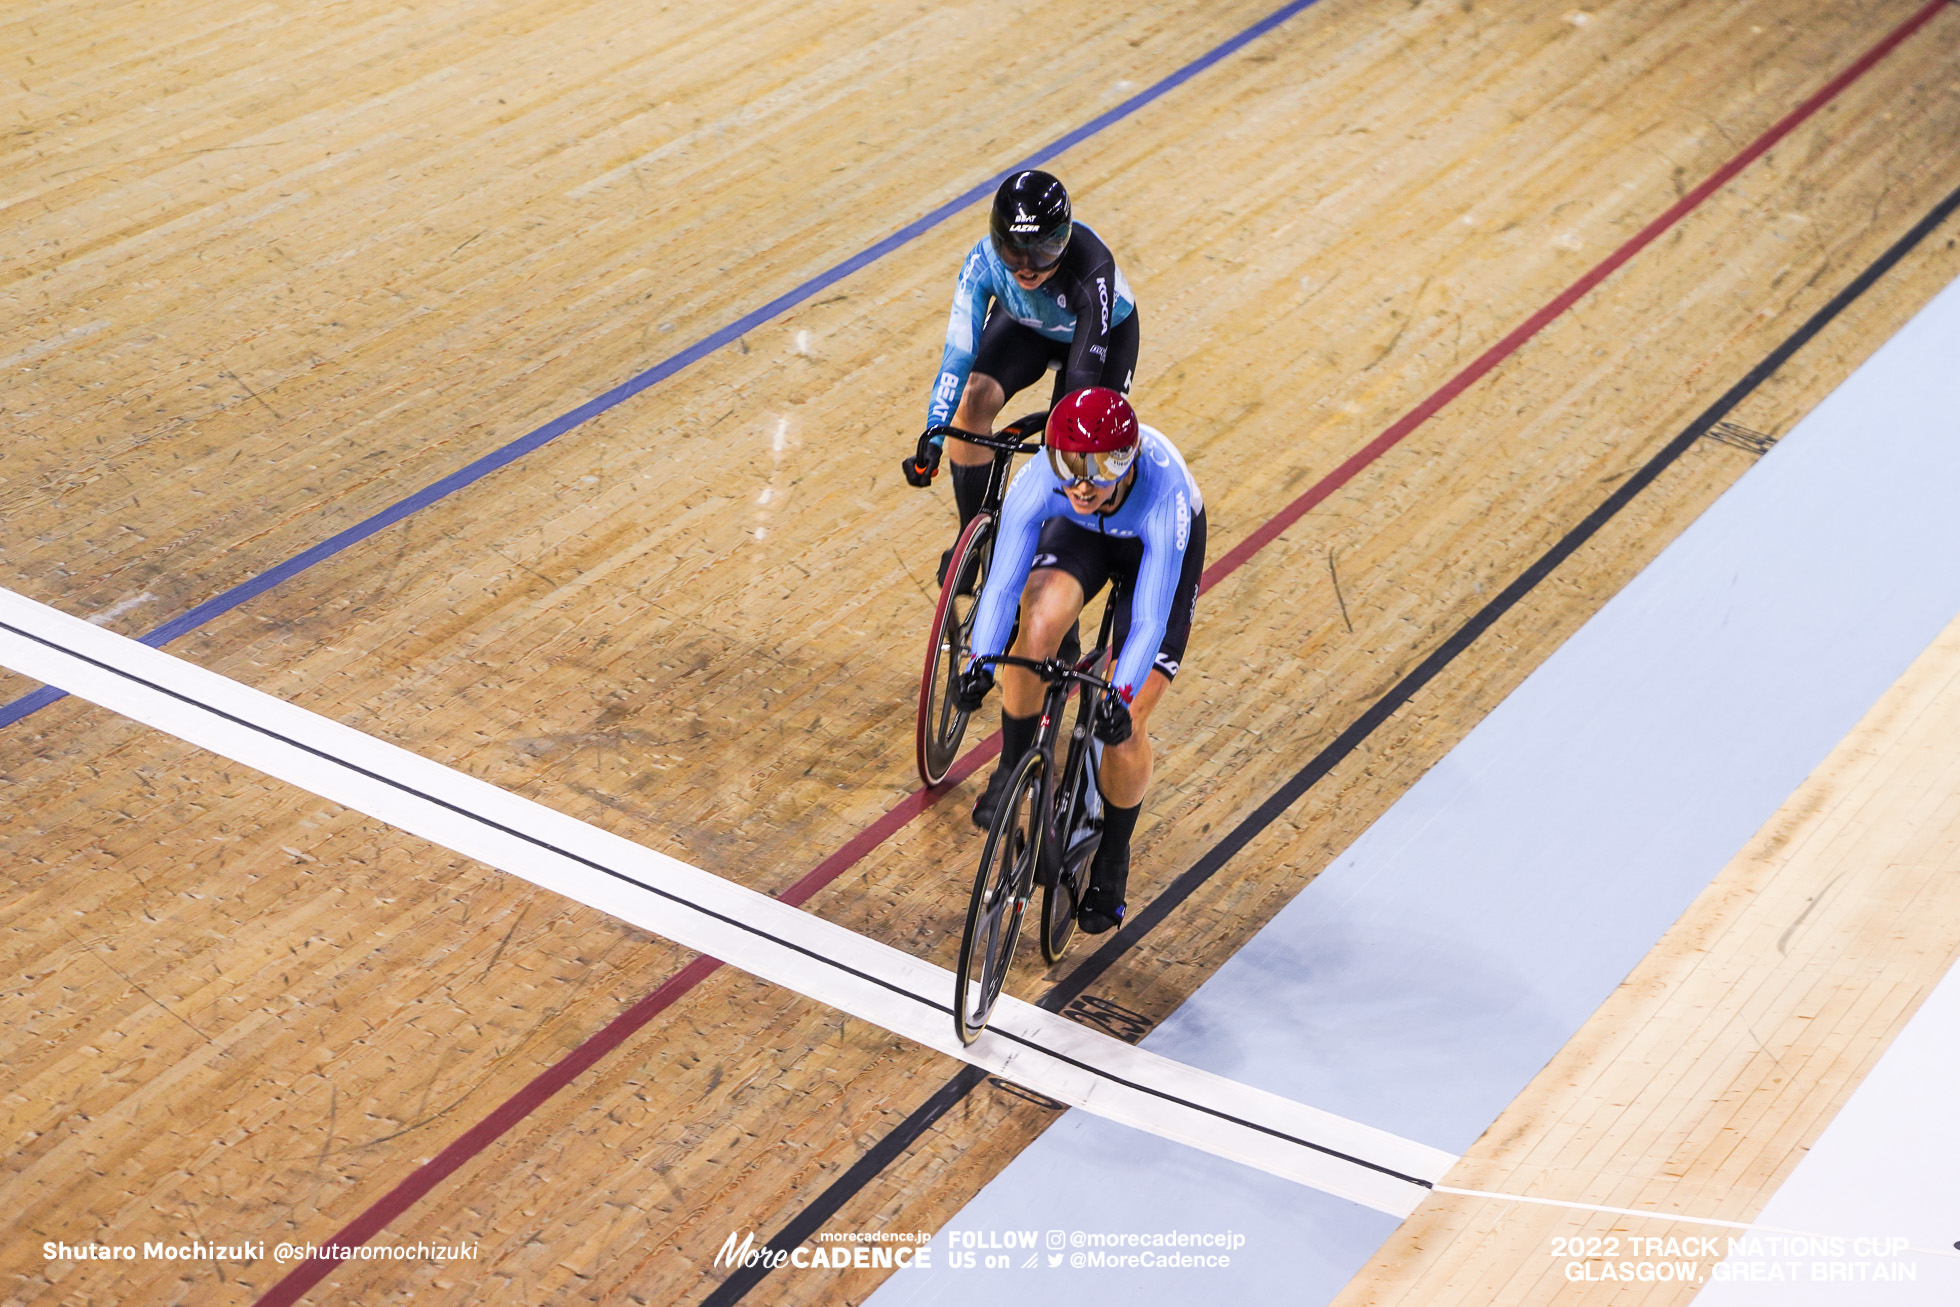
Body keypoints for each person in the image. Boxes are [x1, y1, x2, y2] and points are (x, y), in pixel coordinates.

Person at [952, 387, 1204, 935]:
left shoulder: (1166, 496)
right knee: (1037, 627)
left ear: (1128, 461)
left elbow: (1149, 622)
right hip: (1083, 536)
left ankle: (1113, 858)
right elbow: (1000, 586)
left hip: (1150, 555)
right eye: (1071, 466)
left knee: (1126, 725)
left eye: (1100, 469)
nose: (1084, 483)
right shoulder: (1047, 480)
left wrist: (1121, 695)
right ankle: (1010, 768)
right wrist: (978, 661)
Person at [899, 170, 1140, 582]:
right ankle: (971, 536)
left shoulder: (1092, 266)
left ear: (1064, 241)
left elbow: (1081, 381)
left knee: (1073, 450)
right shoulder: (981, 263)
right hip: (1026, 326)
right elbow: (957, 357)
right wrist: (933, 438)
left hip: (1103, 336)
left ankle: (1053, 575)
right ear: (996, 242)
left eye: (1044, 251)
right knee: (973, 399)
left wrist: (1065, 444)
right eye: (1013, 253)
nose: (1027, 269)